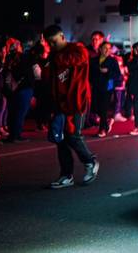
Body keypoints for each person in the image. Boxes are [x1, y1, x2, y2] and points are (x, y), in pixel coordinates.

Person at [42, 25, 98, 189]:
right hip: (60, 103)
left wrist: (52, 58)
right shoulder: (53, 56)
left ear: (62, 36)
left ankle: (90, 161)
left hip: (77, 101)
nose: (52, 46)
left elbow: (77, 59)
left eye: (54, 42)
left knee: (73, 135)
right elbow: (49, 79)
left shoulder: (77, 48)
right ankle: (66, 175)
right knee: (60, 139)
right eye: (49, 43)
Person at [89, 41, 121, 138]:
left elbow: (117, 74)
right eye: (105, 48)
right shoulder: (94, 60)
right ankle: (107, 123)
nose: (107, 50)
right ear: (100, 49)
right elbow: (90, 73)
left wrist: (108, 71)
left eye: (109, 48)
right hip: (96, 86)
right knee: (96, 108)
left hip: (108, 86)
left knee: (103, 108)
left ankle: (102, 130)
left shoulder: (113, 60)